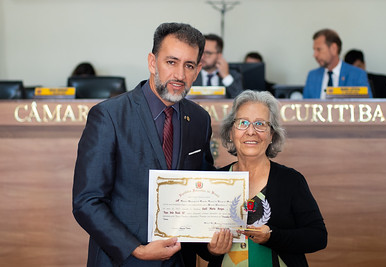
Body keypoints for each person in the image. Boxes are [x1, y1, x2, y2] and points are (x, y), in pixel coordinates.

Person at [72, 22, 231, 267]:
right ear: (152, 62)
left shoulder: (199, 119)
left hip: (180, 261)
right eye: (171, 62)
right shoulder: (109, 116)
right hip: (123, 261)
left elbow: (199, 194)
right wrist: (137, 249)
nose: (180, 74)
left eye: (189, 65)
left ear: (198, 69)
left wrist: (211, 246)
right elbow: (87, 201)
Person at [192, 90, 328, 266]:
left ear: (272, 134)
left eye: (260, 124)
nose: (251, 131)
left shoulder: (291, 180)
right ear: (231, 132)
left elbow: (318, 237)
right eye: (243, 123)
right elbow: (197, 241)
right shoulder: (214, 181)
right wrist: (210, 250)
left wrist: (272, 236)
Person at [303, 29, 371, 99]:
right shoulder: (312, 76)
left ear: (334, 48)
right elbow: (304, 107)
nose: (315, 55)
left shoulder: (357, 75)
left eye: (319, 49)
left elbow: (368, 106)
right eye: (314, 50)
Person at [192, 34, 243, 98]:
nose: (202, 56)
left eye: (208, 53)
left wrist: (226, 76)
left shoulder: (233, 75)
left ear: (219, 55)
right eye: (201, 52)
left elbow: (240, 100)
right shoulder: (191, 73)